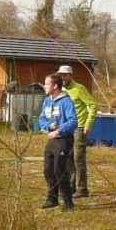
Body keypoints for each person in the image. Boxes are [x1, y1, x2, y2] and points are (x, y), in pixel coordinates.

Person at [39, 73, 78, 211]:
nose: (44, 86)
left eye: (47, 84)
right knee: (48, 170)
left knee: (58, 170)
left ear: (55, 86)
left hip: (64, 139)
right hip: (52, 140)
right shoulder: (47, 100)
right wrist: (49, 127)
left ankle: (68, 202)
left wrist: (59, 130)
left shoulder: (66, 101)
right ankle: (52, 199)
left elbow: (73, 121)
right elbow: (41, 119)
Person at [57, 65, 98, 198]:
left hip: (79, 128)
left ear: (70, 75)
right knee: (67, 158)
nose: (62, 77)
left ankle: (82, 189)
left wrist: (88, 124)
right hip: (66, 128)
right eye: (60, 75)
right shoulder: (61, 90)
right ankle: (71, 187)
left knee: (78, 158)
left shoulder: (79, 89)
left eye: (65, 75)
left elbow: (92, 105)